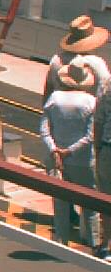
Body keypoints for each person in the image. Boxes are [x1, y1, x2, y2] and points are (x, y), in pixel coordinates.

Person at [41, 56, 100, 246]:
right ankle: (93, 245)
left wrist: (55, 150)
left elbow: (44, 130)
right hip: (82, 161)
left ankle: (61, 243)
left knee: (60, 205)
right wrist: (69, 151)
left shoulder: (54, 99)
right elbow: (90, 136)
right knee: (90, 206)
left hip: (56, 161)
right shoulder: (91, 102)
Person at [45, 15, 109, 102]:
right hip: (87, 108)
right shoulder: (97, 63)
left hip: (60, 105)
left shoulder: (56, 60)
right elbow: (105, 90)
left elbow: (49, 89)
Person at [94, 58, 111, 258]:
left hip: (108, 148)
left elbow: (98, 120)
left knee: (106, 198)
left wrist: (97, 148)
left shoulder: (107, 83)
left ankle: (106, 244)